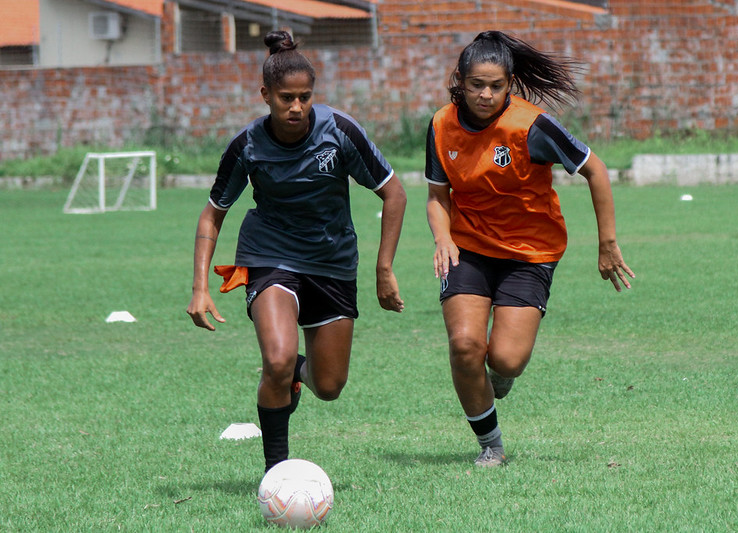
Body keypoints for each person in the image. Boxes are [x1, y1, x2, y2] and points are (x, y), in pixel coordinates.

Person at [187, 30, 406, 474]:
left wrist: (384, 269)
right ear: (265, 95)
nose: (296, 107)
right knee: (278, 359)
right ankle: (276, 474)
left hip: (332, 262)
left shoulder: (339, 131)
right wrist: (199, 288)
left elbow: (394, 193)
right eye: (286, 98)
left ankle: (294, 376)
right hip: (268, 257)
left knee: (329, 385)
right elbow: (213, 214)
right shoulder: (247, 146)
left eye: (305, 97)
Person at [425, 31, 634, 467]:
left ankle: (501, 374)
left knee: (506, 359)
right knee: (465, 347)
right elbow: (437, 196)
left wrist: (608, 243)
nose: (485, 94)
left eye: (496, 86)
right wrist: (443, 237)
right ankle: (491, 445)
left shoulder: (531, 126)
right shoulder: (441, 125)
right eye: (476, 84)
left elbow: (594, 169)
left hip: (529, 252)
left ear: (510, 84)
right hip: (468, 248)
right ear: (459, 81)